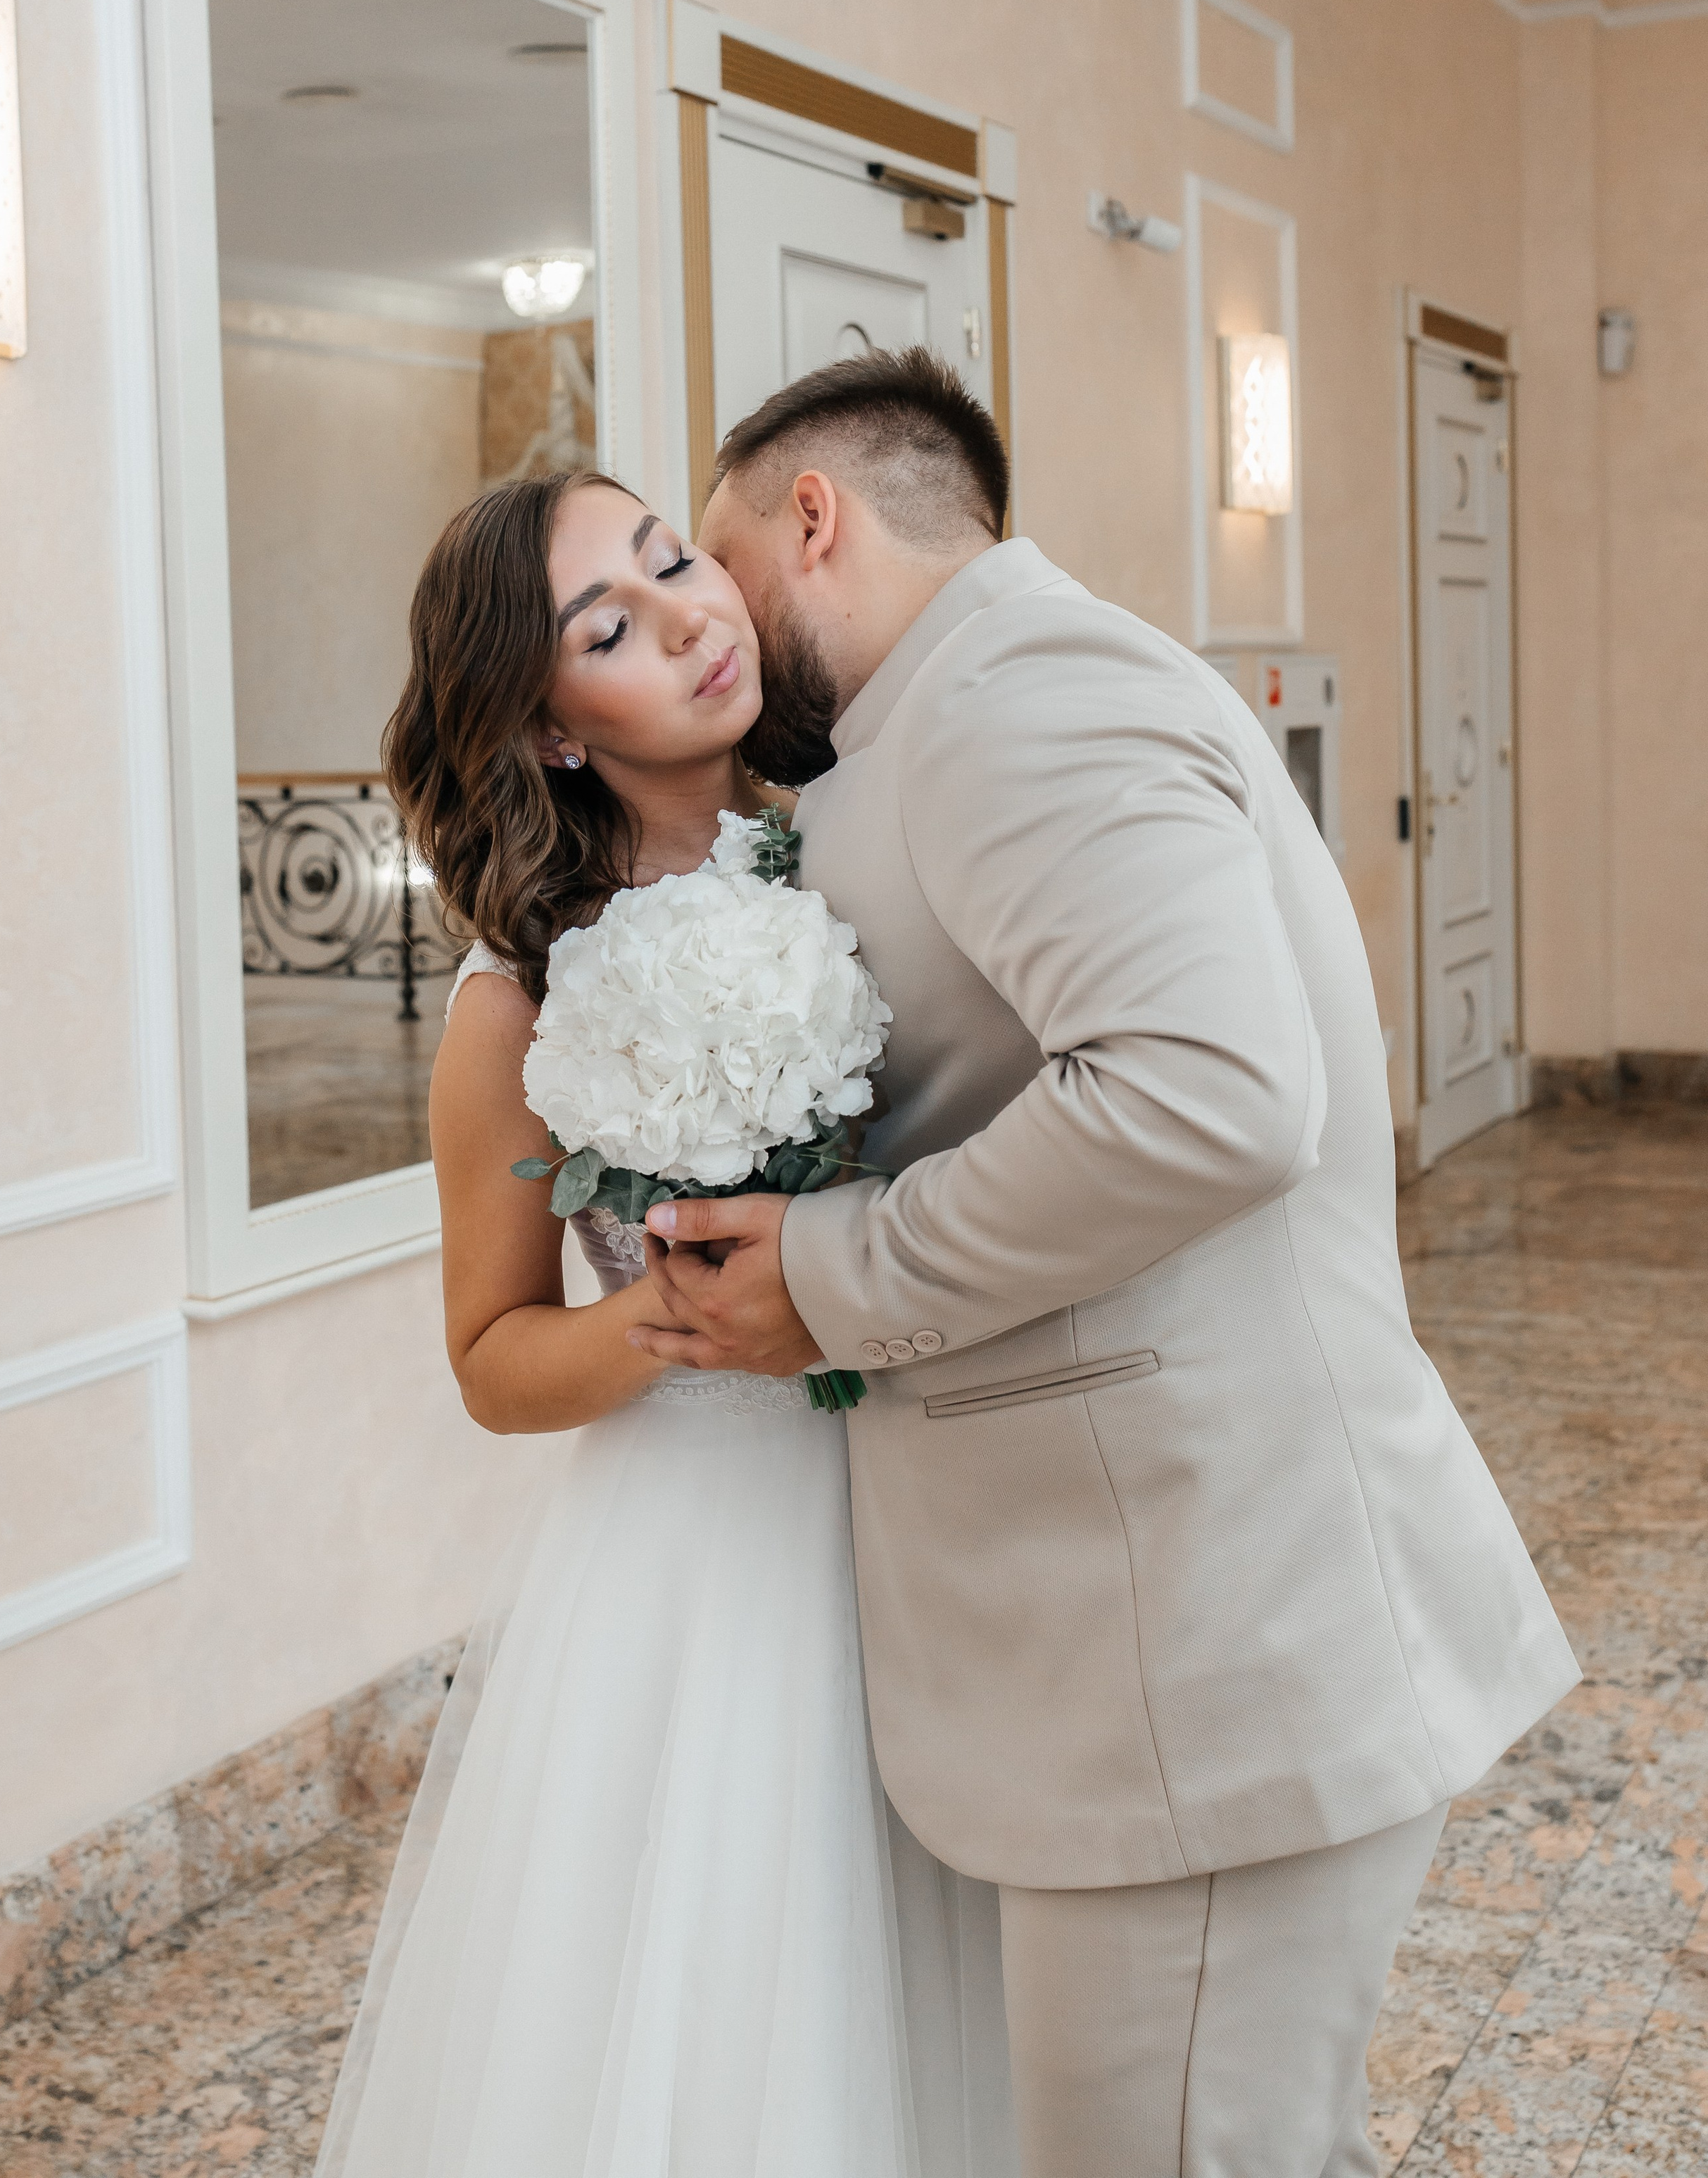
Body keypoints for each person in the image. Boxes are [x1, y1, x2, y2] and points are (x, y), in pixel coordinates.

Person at [628, 349, 1581, 2178]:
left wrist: (831, 1270)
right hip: (1153, 1650)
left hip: (1201, 1655)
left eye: (714, 555)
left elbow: (1209, 1095)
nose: (709, 621)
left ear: (810, 517)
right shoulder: (953, 715)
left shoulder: (1019, 699)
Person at [312, 469, 1015, 2178]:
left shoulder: (870, 839)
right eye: (608, 628)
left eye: (671, 559)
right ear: (551, 728)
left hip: (939, 1501)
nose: (692, 618)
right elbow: (491, 1362)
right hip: (705, 1555)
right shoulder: (518, 1001)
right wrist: (675, 1315)